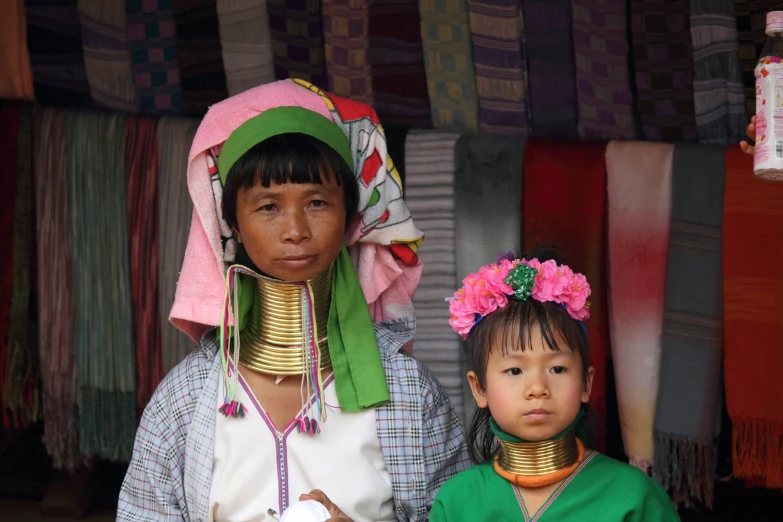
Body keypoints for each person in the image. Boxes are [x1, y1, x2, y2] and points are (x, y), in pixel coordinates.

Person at [117, 79, 469, 522]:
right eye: (268, 206)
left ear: (350, 218)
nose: (296, 230)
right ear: (233, 226)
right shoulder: (186, 398)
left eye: (318, 202)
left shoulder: (406, 393)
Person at [430, 248, 680, 521]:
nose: (537, 388)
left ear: (586, 383)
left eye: (557, 368)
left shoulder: (634, 497)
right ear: (479, 388)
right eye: (514, 370)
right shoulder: (457, 502)